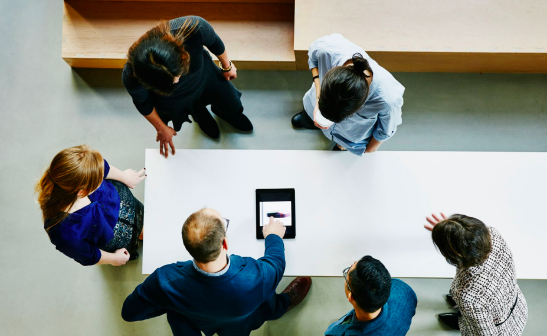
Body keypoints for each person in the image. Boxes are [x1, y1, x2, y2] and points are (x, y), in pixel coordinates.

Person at [121, 208, 312, 336]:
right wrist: (273, 235)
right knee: (266, 298)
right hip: (240, 323)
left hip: (193, 321)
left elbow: (129, 313)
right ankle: (280, 306)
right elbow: (276, 263)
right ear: (225, 243)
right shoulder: (256, 276)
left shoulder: (164, 281)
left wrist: (169, 302)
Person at [123, 16, 253, 158]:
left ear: (182, 54)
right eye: (170, 82)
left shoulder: (193, 28)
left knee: (232, 104)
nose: (176, 81)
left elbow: (215, 42)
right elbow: (143, 103)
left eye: (177, 74)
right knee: (195, 110)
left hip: (205, 77)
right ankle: (200, 115)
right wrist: (161, 128)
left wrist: (226, 66)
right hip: (173, 98)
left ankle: (226, 113)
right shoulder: (132, 76)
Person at [291, 33, 404, 155]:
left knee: (341, 149)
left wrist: (368, 150)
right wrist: (318, 98)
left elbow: (385, 131)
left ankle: (341, 145)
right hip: (313, 104)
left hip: (349, 136)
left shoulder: (387, 99)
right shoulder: (326, 49)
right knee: (308, 117)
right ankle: (308, 118)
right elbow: (313, 57)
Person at [36, 145, 147, 266]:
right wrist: (114, 258)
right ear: (82, 192)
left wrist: (125, 177)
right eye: (99, 179)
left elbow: (103, 167)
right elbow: (88, 254)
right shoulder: (62, 232)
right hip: (115, 236)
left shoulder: (82, 166)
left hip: (120, 201)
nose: (103, 175)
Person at [425, 213, 528, 335]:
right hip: (516, 306)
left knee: (470, 311)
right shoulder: (493, 234)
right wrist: (454, 232)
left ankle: (463, 318)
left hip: (502, 329)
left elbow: (485, 334)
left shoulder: (468, 297)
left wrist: (468, 307)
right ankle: (465, 313)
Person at [325, 255, 417, 335]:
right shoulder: (404, 291)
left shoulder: (336, 333)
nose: (353, 263)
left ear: (351, 297)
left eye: (347, 272)